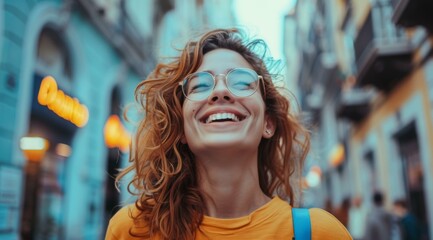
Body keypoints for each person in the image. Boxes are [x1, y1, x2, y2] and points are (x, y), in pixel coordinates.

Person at [105, 28, 352, 240]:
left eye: (242, 82)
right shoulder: (132, 230)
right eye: (200, 84)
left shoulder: (321, 233)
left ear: (268, 122)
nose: (221, 91)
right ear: (180, 128)